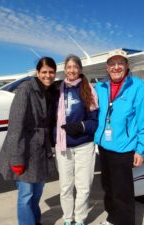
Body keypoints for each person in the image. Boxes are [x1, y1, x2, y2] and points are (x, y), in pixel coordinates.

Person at [94, 49, 144, 225]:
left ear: (127, 66)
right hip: (104, 147)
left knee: (123, 192)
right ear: (107, 68)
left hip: (124, 148)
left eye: (120, 63)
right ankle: (112, 219)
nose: (116, 67)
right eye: (112, 64)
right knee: (108, 188)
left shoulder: (139, 88)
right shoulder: (100, 87)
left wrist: (141, 150)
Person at [0, 57, 57, 225]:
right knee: (26, 194)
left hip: (41, 150)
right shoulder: (26, 90)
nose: (48, 75)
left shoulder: (51, 92)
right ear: (38, 73)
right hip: (24, 149)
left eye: (51, 72)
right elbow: (15, 126)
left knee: (37, 191)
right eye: (44, 72)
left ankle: (35, 220)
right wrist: (16, 158)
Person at [54, 54, 98, 225]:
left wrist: (81, 127)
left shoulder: (88, 89)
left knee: (83, 187)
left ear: (80, 69)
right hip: (63, 145)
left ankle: (79, 219)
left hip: (84, 145)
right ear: (65, 69)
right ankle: (67, 218)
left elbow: (95, 121)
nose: (72, 70)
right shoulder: (58, 89)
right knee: (65, 187)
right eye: (69, 67)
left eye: (75, 67)